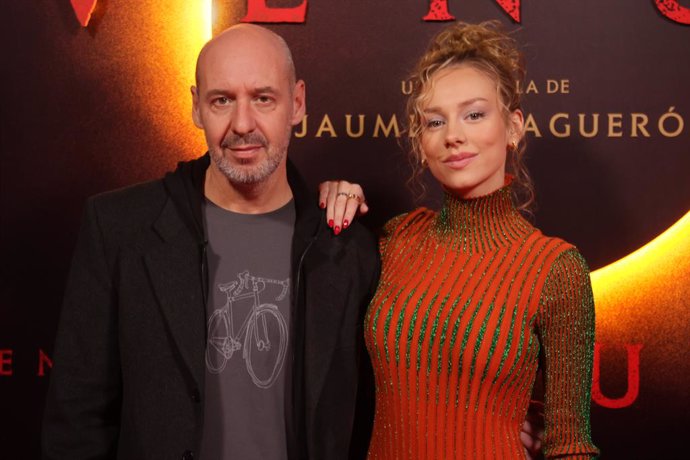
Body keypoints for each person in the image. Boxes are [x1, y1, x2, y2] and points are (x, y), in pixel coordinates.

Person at [41, 24, 380, 459]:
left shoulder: (347, 248)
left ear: (296, 103)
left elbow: (372, 423)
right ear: (197, 107)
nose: (242, 125)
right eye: (222, 100)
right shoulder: (119, 228)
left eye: (262, 98)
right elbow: (76, 421)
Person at [321, 21, 599, 459]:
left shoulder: (556, 269)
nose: (453, 135)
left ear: (514, 127)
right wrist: (331, 201)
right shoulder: (394, 241)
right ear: (421, 142)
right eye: (435, 120)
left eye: (474, 114)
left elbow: (571, 446)